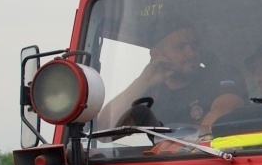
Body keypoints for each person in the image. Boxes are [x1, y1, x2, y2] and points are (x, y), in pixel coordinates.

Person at [103, 26, 242, 133]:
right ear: (156, 55)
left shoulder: (219, 75)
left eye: (194, 45)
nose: (191, 53)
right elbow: (104, 128)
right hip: (159, 162)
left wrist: (187, 147)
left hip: (213, 158)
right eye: (181, 47)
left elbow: (225, 110)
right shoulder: (151, 93)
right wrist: (143, 81)